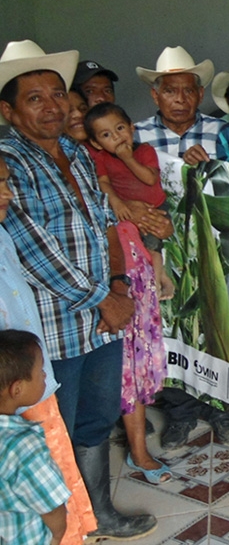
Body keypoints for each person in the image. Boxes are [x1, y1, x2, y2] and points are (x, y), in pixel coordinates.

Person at [0, 39, 156, 539]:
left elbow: (106, 225)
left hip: (104, 317)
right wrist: (105, 300)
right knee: (55, 429)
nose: (52, 106)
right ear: (8, 112)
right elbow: (33, 248)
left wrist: (119, 285)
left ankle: (98, 515)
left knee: (96, 419)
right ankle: (63, 530)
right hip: (53, 327)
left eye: (57, 94)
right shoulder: (8, 163)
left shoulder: (77, 152)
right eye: (35, 98)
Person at [0, 157, 95, 545]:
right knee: (37, 478)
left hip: (26, 380)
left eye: (6, 182)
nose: (7, 193)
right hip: (14, 382)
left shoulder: (3, 233)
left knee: (54, 460)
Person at [84, 103, 175, 300]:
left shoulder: (145, 151)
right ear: (96, 143)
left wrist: (128, 158)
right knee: (133, 250)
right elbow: (103, 183)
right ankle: (143, 284)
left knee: (153, 247)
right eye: (106, 135)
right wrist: (117, 202)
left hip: (155, 208)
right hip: (126, 212)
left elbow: (149, 179)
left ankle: (156, 283)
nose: (116, 137)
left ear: (131, 127)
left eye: (120, 128)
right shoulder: (101, 158)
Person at [0, 330, 70, 545]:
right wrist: (56, 536)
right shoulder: (23, 445)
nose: (45, 376)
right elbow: (50, 505)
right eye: (40, 371)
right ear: (17, 389)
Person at [134, 46, 223, 165]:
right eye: (170, 91)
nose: (180, 99)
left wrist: (206, 167)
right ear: (155, 95)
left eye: (189, 91)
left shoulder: (222, 131)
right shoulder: (136, 136)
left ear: (200, 94)